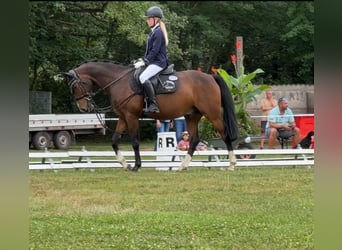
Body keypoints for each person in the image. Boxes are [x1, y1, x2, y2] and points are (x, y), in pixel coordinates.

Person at [134, 6, 169, 113]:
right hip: (153, 61)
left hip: (159, 62)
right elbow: (149, 51)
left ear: (156, 19)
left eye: (149, 18)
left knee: (143, 77)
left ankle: (153, 104)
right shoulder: (153, 32)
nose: (147, 20)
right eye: (147, 18)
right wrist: (142, 59)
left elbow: (155, 51)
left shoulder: (158, 32)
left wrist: (145, 61)